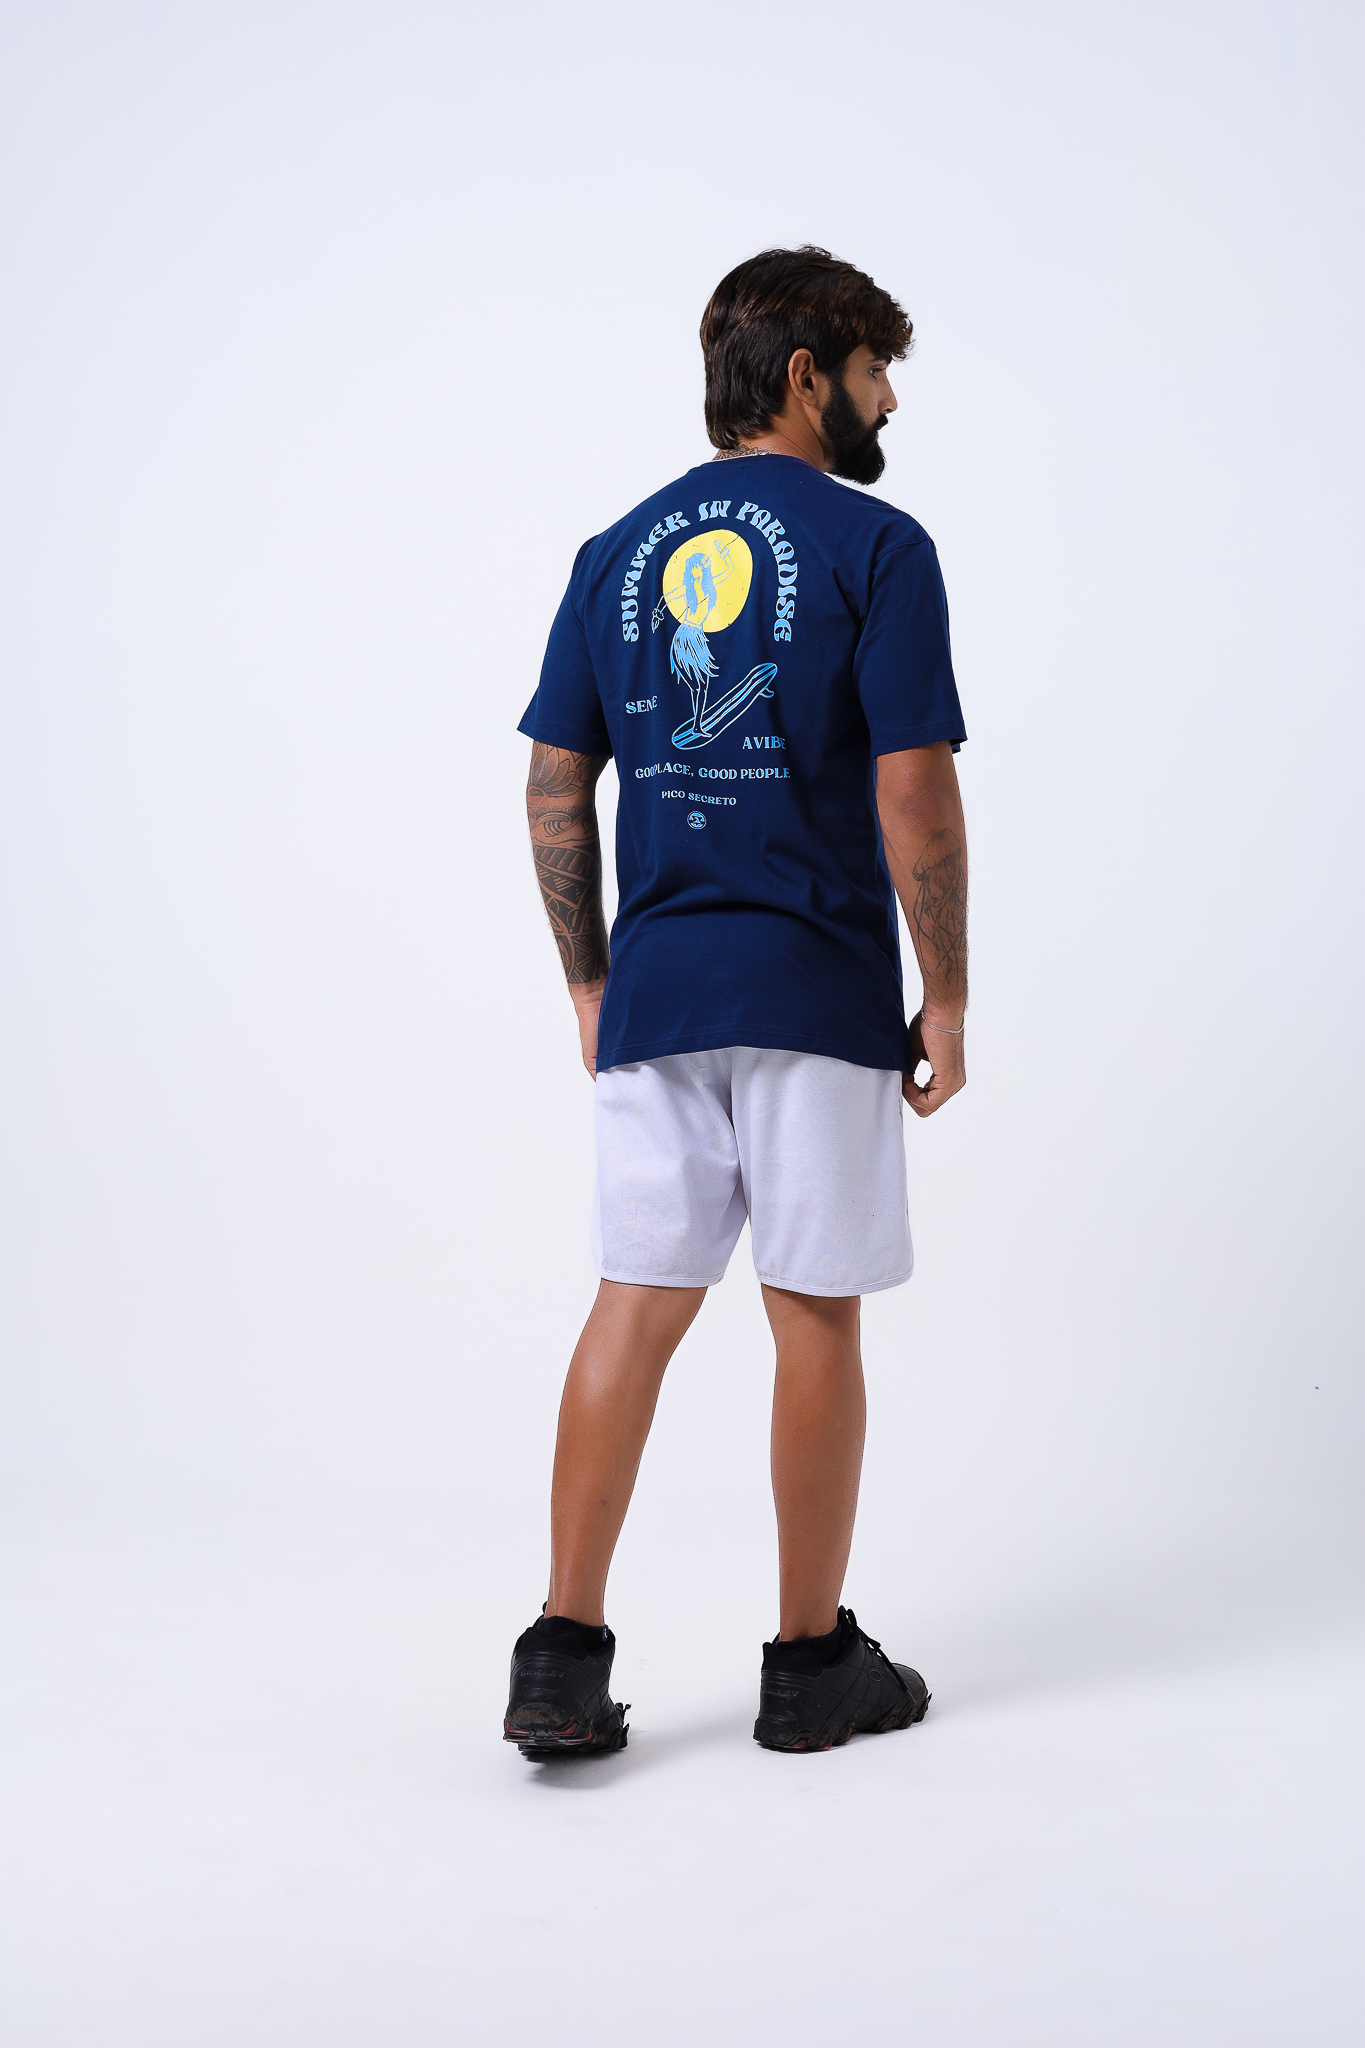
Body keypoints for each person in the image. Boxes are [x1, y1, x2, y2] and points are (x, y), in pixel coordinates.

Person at [505, 246, 969, 1759]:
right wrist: (946, 994)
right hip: (816, 987)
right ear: (805, 374)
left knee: (634, 1303)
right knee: (811, 1312)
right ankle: (811, 1663)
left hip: (660, 992)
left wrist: (592, 981)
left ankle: (560, 1657)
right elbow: (914, 789)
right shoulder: (876, 545)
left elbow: (554, 784)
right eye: (876, 369)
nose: (888, 400)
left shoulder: (613, 551)